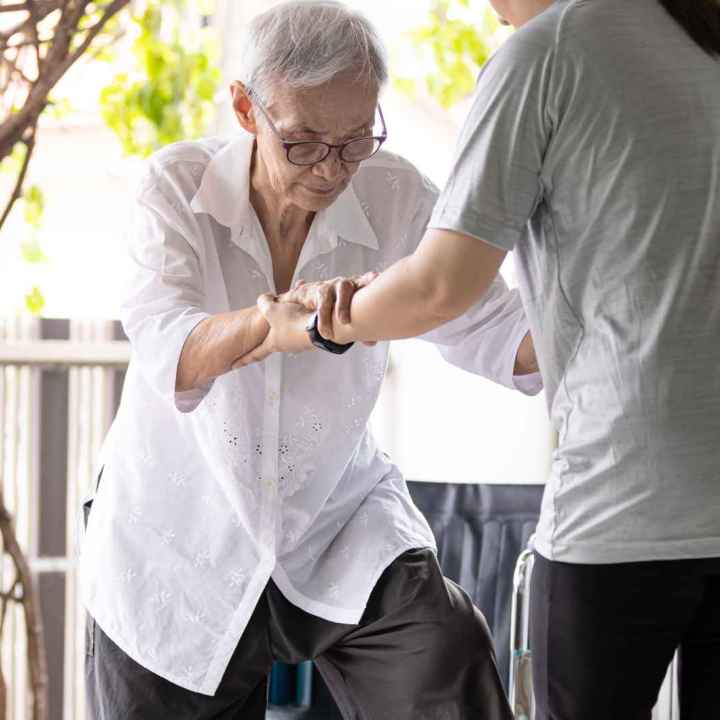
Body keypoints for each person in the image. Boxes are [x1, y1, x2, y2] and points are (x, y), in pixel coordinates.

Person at [79, 2, 542, 718]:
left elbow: (486, 324)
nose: (332, 170)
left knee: (445, 653)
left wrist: (614, 337)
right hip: (177, 533)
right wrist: (278, 324)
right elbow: (171, 348)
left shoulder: (397, 195)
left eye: (356, 140)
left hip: (339, 515)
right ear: (245, 109)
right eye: (303, 144)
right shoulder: (175, 187)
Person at [266, 1, 720, 718]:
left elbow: (443, 285)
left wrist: (324, 319)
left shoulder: (547, 54)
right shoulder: (701, 34)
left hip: (626, 501)